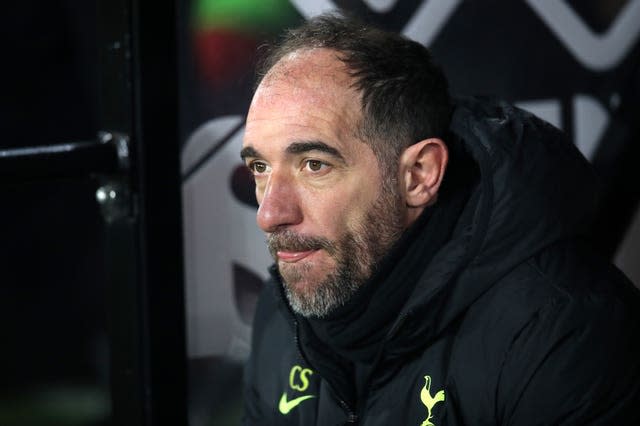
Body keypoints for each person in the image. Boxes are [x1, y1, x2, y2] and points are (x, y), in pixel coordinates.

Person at [240, 13, 640, 425]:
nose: (270, 214)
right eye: (259, 168)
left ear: (419, 175)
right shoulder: (282, 310)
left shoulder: (568, 334)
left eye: (314, 165)